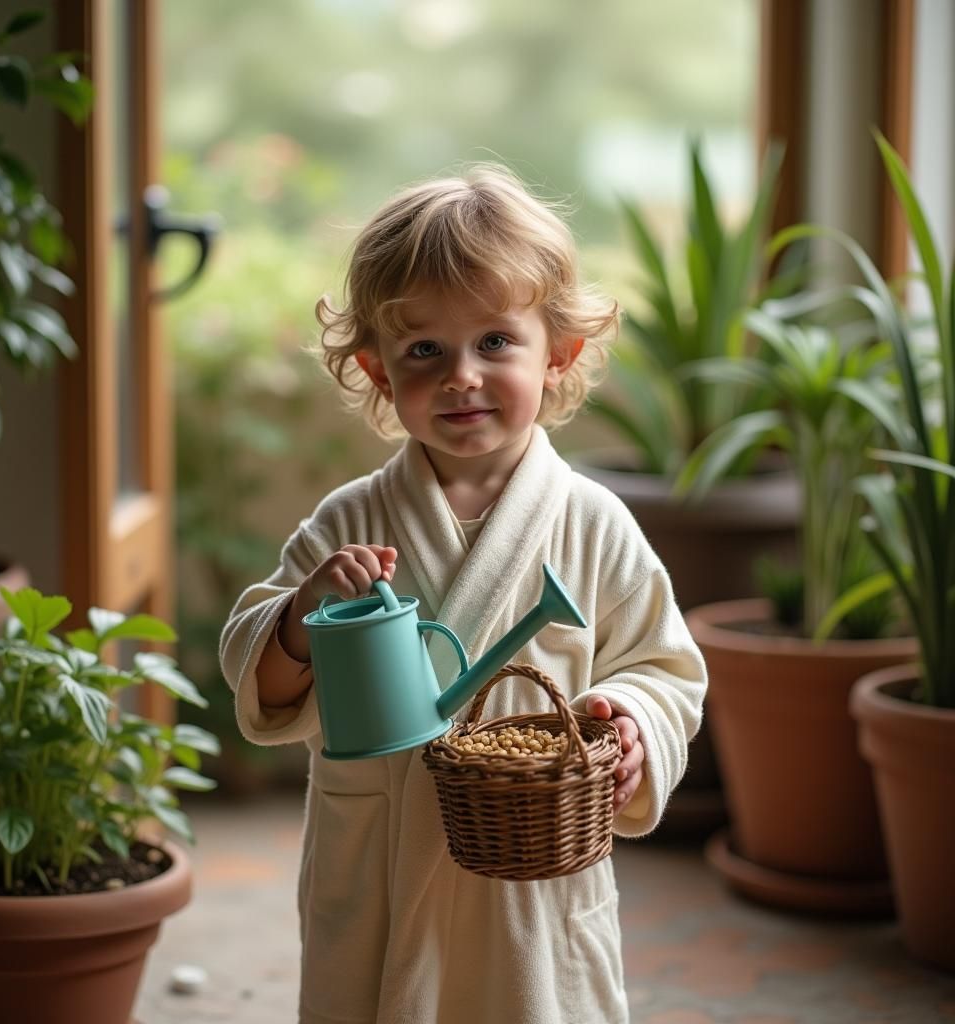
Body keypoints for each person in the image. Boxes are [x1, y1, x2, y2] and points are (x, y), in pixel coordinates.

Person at [220, 163, 707, 1024]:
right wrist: (302, 617)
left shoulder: (593, 521)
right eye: (424, 351)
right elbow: (257, 667)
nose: (461, 377)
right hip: (380, 848)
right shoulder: (352, 517)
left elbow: (664, 666)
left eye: (494, 343)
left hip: (529, 869)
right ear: (375, 369)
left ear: (557, 353)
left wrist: (630, 722)